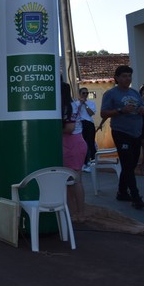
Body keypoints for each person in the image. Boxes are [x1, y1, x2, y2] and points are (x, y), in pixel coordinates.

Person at [101, 65, 144, 210]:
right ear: (117, 78)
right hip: (121, 132)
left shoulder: (135, 93)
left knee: (131, 164)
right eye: (124, 76)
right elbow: (104, 113)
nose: (127, 79)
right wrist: (121, 110)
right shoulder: (110, 94)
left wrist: (143, 110)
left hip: (136, 132)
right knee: (127, 164)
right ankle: (135, 196)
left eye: (129, 76)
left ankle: (122, 192)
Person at [62, 82, 87, 221]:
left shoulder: (68, 106)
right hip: (73, 143)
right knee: (70, 180)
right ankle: (73, 213)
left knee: (75, 180)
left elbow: (70, 128)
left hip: (72, 144)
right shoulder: (70, 105)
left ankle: (80, 213)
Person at [76, 87, 97, 172]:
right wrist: (81, 103)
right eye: (83, 93)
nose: (85, 95)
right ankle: (84, 163)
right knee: (82, 144)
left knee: (91, 143)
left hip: (89, 123)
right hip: (80, 124)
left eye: (86, 93)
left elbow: (91, 113)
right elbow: (76, 112)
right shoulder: (76, 103)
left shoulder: (91, 103)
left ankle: (92, 162)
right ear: (80, 94)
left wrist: (85, 104)